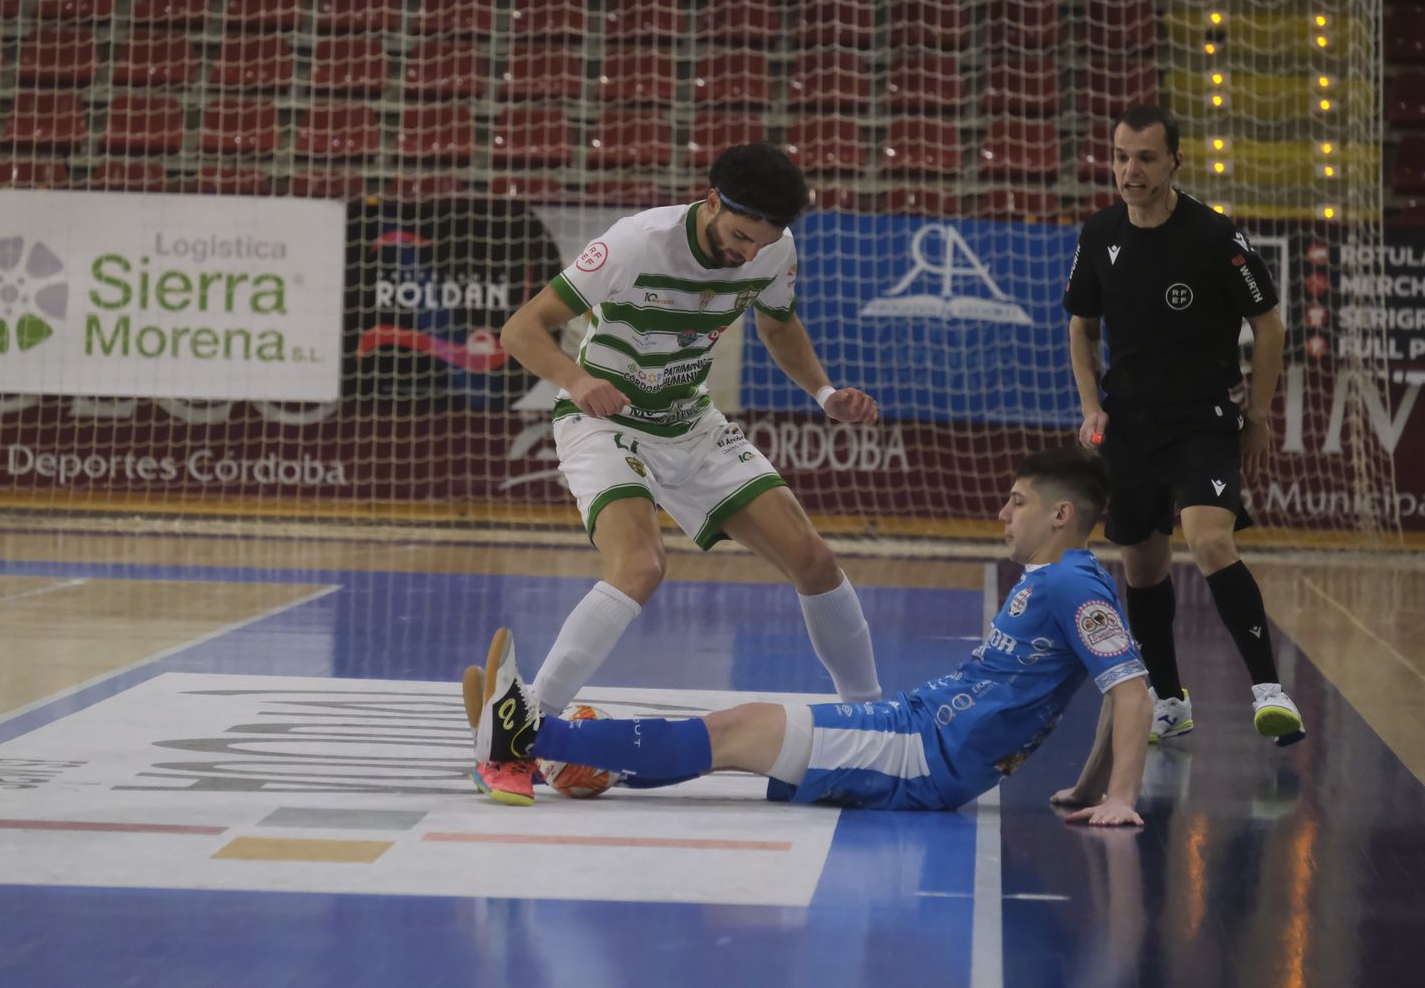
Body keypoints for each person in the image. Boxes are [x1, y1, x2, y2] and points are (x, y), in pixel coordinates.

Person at [486, 143, 883, 801]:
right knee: (640, 567)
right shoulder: (636, 243)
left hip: (690, 421)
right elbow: (522, 329)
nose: (747, 254)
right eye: (738, 237)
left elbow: (779, 326)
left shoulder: (771, 251)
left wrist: (824, 392)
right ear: (710, 202)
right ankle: (517, 732)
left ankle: (872, 722)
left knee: (813, 560)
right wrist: (577, 380)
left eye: (763, 243)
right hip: (604, 418)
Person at [464, 447, 1151, 826]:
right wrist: (1089, 788)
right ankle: (581, 757)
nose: (1003, 512)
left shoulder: (1070, 585)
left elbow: (1132, 692)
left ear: (1062, 514)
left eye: (1019, 502)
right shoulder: (1056, 579)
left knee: (736, 732)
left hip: (926, 759)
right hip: (915, 730)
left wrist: (1119, 796)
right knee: (737, 734)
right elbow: (1114, 690)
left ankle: (528, 737)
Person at [1064, 103, 1304, 747]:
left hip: (1202, 420)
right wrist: (1092, 405)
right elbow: (1081, 327)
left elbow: (1270, 323)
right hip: (1130, 427)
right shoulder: (1099, 234)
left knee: (1209, 542)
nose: (1130, 169)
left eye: (1145, 157)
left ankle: (1268, 691)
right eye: (1120, 156)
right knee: (1142, 567)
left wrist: (1256, 414)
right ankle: (1170, 700)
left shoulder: (1215, 235)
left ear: (1174, 160)